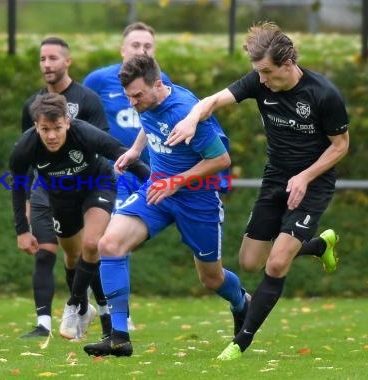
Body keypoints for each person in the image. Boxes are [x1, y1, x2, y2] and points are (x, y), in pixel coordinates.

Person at [166, 21, 349, 360]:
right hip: (276, 177)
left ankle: (241, 342)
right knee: (250, 262)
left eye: (266, 71)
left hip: (313, 183)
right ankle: (320, 244)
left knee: (277, 264)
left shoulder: (323, 94)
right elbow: (212, 100)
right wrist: (192, 118)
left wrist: (306, 176)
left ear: (288, 63)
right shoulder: (259, 82)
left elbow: (340, 146)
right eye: (258, 72)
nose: (261, 79)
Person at [83, 54, 250, 357]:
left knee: (211, 278)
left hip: (197, 198)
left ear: (158, 85)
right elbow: (149, 123)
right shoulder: (148, 100)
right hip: (157, 190)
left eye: (138, 96)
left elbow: (221, 160)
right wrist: (135, 151)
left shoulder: (185, 112)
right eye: (128, 97)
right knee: (109, 244)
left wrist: (178, 181)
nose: (133, 103)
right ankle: (119, 336)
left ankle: (242, 302)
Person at [10, 93, 150, 341]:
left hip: (97, 185)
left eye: (57, 128)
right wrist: (22, 229)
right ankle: (87, 309)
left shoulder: (84, 133)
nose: (52, 136)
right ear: (35, 126)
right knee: (74, 256)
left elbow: (121, 153)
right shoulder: (25, 147)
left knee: (92, 243)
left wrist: (153, 183)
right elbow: (19, 187)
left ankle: (75, 305)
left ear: (68, 122)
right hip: (61, 199)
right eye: (45, 129)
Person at [19, 37, 112, 339]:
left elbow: (103, 144)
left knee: (90, 246)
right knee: (51, 253)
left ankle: (94, 308)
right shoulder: (32, 106)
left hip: (82, 185)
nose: (47, 64)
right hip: (46, 189)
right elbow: (29, 153)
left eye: (53, 58)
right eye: (42, 59)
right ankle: (44, 323)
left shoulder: (87, 99)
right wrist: (27, 204)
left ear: (67, 61)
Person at [83, 21, 171, 331]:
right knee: (105, 240)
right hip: (110, 172)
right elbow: (78, 120)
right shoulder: (98, 80)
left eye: (148, 46)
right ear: (123, 49)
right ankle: (109, 311)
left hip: (150, 174)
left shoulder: (162, 83)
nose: (142, 50)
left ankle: (101, 307)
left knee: (116, 242)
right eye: (136, 45)